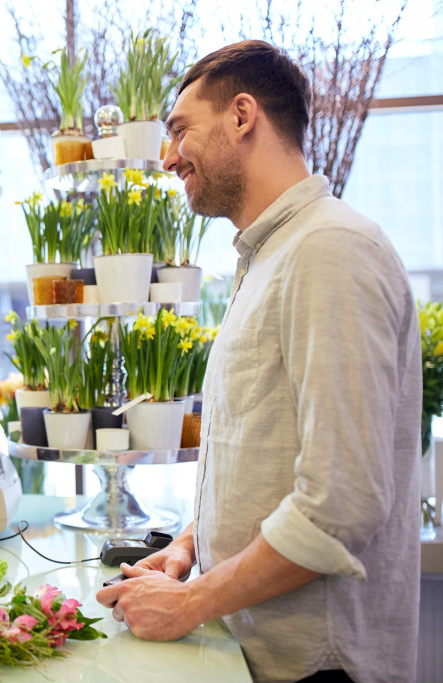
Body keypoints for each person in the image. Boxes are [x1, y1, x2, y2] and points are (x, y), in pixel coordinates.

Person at [96, 40, 421, 683]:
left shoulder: (329, 250)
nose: (168, 157)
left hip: (317, 667)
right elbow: (261, 455)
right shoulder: (269, 257)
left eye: (180, 129)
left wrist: (191, 603)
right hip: (256, 654)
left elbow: (340, 507)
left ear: (242, 116)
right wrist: (191, 545)